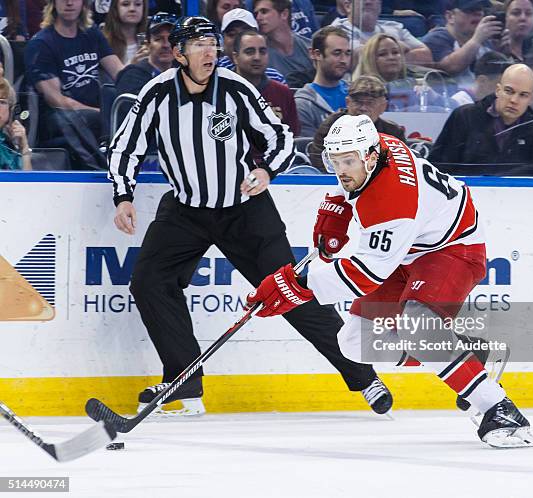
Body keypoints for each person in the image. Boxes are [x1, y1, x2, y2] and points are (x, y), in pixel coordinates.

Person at [108, 16, 393, 416]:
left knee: (292, 292)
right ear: (178, 53)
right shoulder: (156, 94)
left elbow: (277, 137)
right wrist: (123, 195)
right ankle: (184, 383)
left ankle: (365, 378)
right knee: (149, 282)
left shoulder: (236, 89)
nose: (210, 51)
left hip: (244, 208)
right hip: (185, 209)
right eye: (199, 45)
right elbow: (125, 148)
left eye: (212, 43)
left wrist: (266, 171)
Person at [246, 113, 533, 449]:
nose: (341, 170)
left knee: (419, 328)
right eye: (335, 161)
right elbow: (350, 182)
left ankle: (500, 409)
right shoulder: (375, 148)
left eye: (348, 161)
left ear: (369, 156)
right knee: (355, 342)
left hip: (454, 248)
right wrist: (336, 208)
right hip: (410, 247)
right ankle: (467, 352)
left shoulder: (393, 199)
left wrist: (294, 286)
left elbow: (365, 275)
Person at [25, 0, 124, 170]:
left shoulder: (92, 35)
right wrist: (102, 114)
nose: (69, 3)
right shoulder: (40, 44)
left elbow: (120, 73)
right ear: (53, 3)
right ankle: (102, 169)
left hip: (95, 115)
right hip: (57, 118)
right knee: (73, 119)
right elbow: (56, 100)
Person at [429, 64, 533, 176]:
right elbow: (437, 166)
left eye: (523, 95)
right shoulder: (464, 117)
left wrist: (502, 179)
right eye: (509, 91)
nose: (514, 100)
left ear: (531, 99)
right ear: (498, 90)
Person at [309, 75, 407, 172]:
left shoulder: (393, 133)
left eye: (370, 103)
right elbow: (320, 164)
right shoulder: (330, 127)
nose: (363, 108)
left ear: (383, 106)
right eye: (358, 102)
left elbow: (401, 167)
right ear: (348, 102)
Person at [422, 0, 503, 90]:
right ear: (450, 17)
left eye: (480, 9)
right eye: (470, 10)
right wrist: (476, 40)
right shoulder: (436, 38)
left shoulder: (485, 41)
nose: (478, 13)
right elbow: (449, 68)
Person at [354, 34, 446, 112]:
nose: (391, 57)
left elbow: (452, 107)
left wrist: (435, 97)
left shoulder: (414, 82)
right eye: (382, 54)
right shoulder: (362, 90)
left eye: (395, 52)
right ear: (370, 60)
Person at [232, 29, 300, 135]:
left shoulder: (283, 93)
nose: (257, 57)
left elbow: (293, 137)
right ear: (235, 57)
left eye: (262, 51)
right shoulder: (219, 92)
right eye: (250, 52)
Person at [332, 0, 432, 65]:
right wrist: (399, 47)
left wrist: (377, 54)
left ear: (380, 5)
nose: (369, 2)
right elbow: (356, 58)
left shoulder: (394, 27)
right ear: (348, 6)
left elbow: (426, 55)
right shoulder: (337, 31)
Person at [294, 26, 350, 137]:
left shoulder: (357, 95)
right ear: (316, 54)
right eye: (337, 53)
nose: (344, 60)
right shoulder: (303, 104)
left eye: (347, 53)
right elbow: (309, 149)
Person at [217, 8, 287, 85]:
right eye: (232, 34)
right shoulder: (213, 72)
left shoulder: (275, 78)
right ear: (223, 39)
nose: (238, 39)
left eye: (246, 33)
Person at [254, 0, 315, 87]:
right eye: (256, 14)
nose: (258, 18)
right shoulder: (259, 54)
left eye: (264, 12)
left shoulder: (309, 47)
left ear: (284, 14)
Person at [115, 11, 176, 96]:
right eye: (158, 39)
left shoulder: (182, 73)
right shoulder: (132, 76)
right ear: (147, 44)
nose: (166, 45)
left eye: (171, 39)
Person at [102, 0, 149, 65]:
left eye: (138, 4)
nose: (132, 9)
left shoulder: (151, 40)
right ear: (115, 8)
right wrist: (132, 65)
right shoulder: (103, 42)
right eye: (125, 4)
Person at [0, 78, 32, 171]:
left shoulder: (7, 145)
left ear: (10, 110)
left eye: (2, 102)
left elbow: (27, 183)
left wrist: (24, 149)